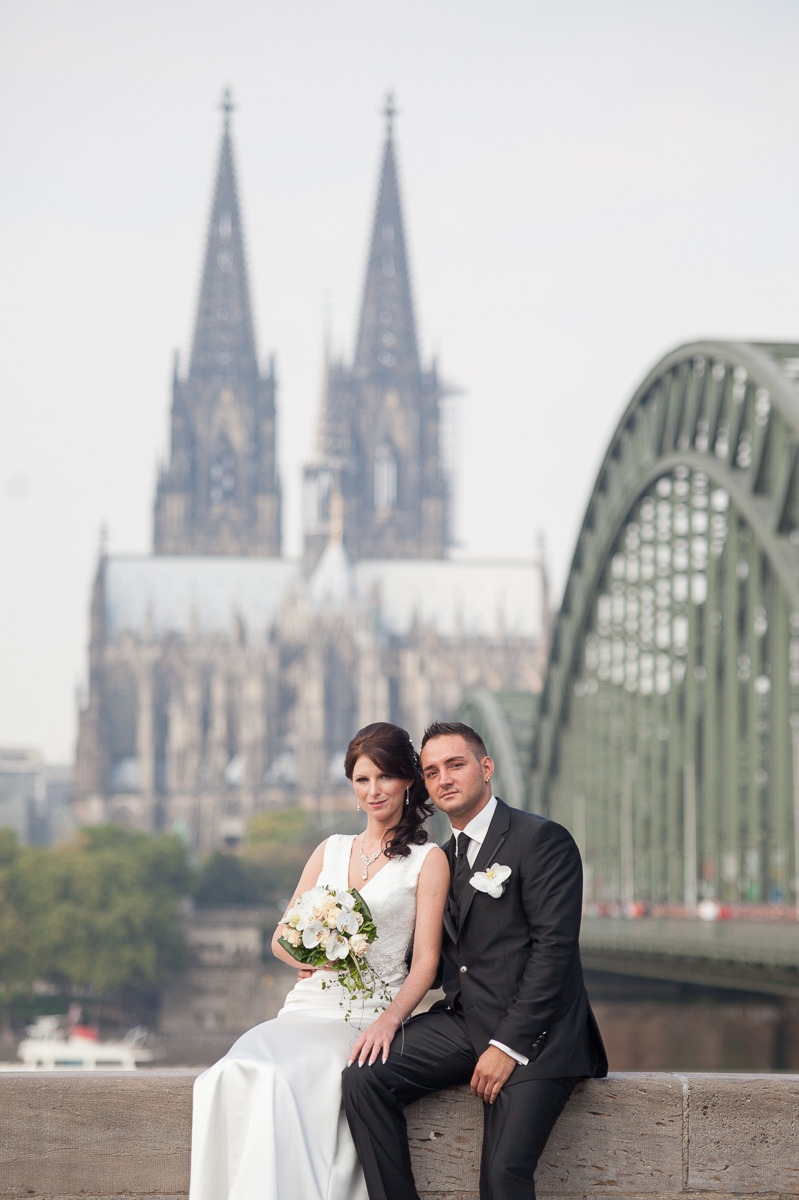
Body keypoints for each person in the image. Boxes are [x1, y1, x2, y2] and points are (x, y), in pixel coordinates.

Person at [342, 720, 608, 1200]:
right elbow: (419, 952)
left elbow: (555, 953)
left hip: (539, 1037)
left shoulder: (542, 840)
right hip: (466, 1024)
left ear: (486, 768)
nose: (443, 778)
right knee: (364, 1077)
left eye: (455, 765)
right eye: (431, 771)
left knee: (502, 1178)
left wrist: (507, 1047)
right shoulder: (439, 860)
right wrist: (330, 953)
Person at [189, 722, 450, 1200]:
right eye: (362, 780)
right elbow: (279, 940)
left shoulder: (428, 860)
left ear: (408, 782)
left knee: (284, 1079)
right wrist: (319, 949)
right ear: (352, 786)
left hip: (365, 1017)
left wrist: (391, 1022)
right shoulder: (329, 849)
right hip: (305, 1006)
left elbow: (426, 965)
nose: (374, 791)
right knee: (233, 1071)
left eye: (385, 778)